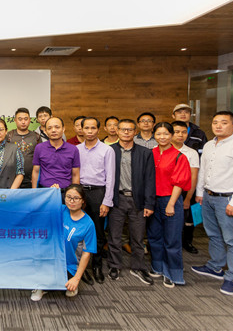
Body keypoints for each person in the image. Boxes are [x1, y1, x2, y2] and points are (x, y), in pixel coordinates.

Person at [192, 111, 233, 296]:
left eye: (224, 122)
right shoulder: (209, 145)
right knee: (213, 235)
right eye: (215, 122)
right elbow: (203, 171)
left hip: (228, 199)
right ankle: (216, 266)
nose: (218, 126)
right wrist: (200, 193)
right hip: (208, 197)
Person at [106, 119, 156, 285]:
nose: (126, 132)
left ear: (135, 132)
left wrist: (149, 203)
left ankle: (138, 267)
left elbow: (150, 180)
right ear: (117, 131)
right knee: (114, 236)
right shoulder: (110, 151)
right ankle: (114, 265)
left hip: (138, 200)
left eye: (129, 130)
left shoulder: (145, 152)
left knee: (138, 237)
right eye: (123, 129)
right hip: (117, 199)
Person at [31, 184, 97, 301]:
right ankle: (42, 285)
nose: (71, 201)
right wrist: (51, 193)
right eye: (68, 197)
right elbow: (39, 208)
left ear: (83, 200)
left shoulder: (88, 224)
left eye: (76, 198)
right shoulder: (60, 210)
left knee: (64, 285)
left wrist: (77, 278)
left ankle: (68, 282)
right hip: (50, 259)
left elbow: (86, 254)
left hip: (69, 266)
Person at [148, 122, 191, 288]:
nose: (162, 137)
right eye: (158, 134)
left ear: (172, 135)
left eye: (166, 134)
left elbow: (179, 183)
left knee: (172, 239)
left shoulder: (179, 156)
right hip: (153, 200)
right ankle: (157, 267)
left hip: (170, 199)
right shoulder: (150, 153)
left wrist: (171, 204)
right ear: (154, 135)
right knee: (154, 236)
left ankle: (173, 273)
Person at [76, 117, 115, 284]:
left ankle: (97, 266)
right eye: (87, 128)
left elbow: (111, 177)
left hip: (98, 192)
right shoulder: (76, 149)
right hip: (80, 192)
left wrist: (107, 201)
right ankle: (80, 268)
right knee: (78, 231)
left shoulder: (107, 150)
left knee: (98, 232)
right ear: (81, 129)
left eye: (93, 128)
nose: (90, 131)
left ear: (98, 130)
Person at [171, 121, 200, 254]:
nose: (180, 135)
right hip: (163, 191)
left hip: (183, 192)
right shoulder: (158, 149)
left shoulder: (191, 152)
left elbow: (193, 177)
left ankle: (184, 244)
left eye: (184, 132)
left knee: (182, 222)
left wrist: (188, 198)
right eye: (176, 132)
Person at [32, 117, 80, 194]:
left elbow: (75, 174)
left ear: (63, 129)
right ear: (46, 131)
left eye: (57, 127)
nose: (53, 130)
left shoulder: (73, 149)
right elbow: (36, 171)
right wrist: (34, 192)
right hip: (45, 191)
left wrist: (74, 193)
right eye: (49, 128)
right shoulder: (39, 148)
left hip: (66, 192)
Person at [6, 108, 42, 188]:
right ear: (15, 120)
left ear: (29, 120)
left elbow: (41, 158)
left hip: (32, 179)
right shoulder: (9, 136)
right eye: (20, 119)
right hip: (13, 180)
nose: (23, 122)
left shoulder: (36, 136)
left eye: (26, 119)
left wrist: (37, 178)